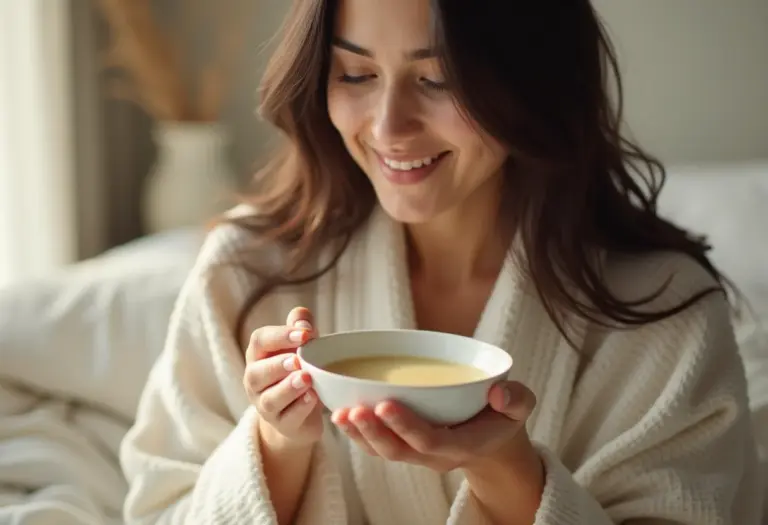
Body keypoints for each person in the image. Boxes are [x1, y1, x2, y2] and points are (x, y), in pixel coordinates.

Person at [119, 0, 762, 523]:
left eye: (439, 80)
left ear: (533, 83)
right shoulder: (245, 272)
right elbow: (159, 507)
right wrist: (277, 442)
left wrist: (505, 468)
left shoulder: (662, 310)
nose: (390, 126)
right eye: (356, 75)